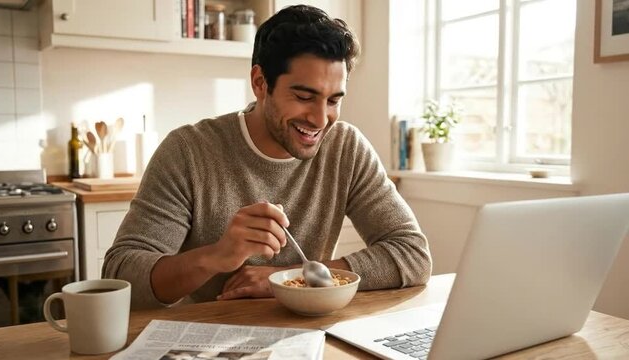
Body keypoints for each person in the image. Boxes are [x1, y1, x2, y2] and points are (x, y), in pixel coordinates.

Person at [103, 4, 432, 309]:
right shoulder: (188, 152)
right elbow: (122, 275)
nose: (320, 120)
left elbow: (412, 254)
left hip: (311, 338)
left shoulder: (345, 148)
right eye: (304, 96)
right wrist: (216, 256)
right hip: (206, 338)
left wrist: (290, 278)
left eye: (333, 100)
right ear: (260, 83)